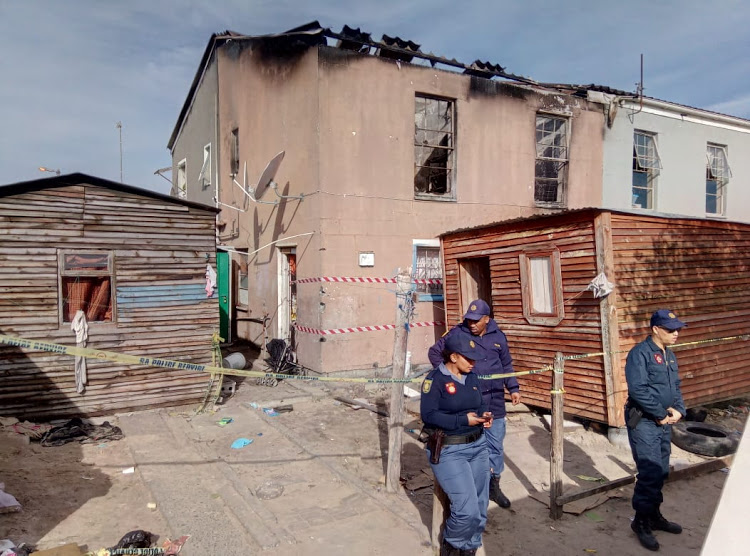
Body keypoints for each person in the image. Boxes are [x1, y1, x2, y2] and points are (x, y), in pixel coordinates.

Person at [428, 299, 520, 509]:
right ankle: (469, 489)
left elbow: (506, 364)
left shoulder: (498, 336)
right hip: (468, 400)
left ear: (487, 319)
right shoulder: (457, 333)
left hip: (495, 399)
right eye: (469, 320)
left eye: (476, 320)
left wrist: (513, 388)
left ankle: (493, 486)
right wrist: (449, 375)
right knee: (468, 444)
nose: (472, 324)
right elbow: (434, 353)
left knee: (495, 444)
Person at [421, 330, 494, 556]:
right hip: (449, 450)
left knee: (481, 506)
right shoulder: (434, 381)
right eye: (468, 358)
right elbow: (429, 415)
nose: (473, 363)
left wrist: (484, 415)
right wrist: (463, 419)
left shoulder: (471, 376)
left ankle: (470, 547)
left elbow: (479, 403)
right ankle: (452, 546)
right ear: (453, 357)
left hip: (478, 445)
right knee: (466, 510)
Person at [625, 309, 687, 551]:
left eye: (678, 329)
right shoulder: (639, 354)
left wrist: (679, 409)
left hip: (664, 421)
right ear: (655, 330)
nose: (676, 333)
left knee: (661, 471)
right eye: (670, 329)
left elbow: (676, 386)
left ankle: (654, 515)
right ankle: (640, 521)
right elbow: (638, 389)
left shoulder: (669, 355)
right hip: (645, 421)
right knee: (649, 471)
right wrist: (661, 414)